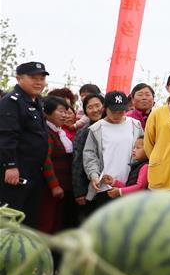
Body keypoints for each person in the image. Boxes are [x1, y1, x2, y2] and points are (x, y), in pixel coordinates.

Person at [0, 62, 50, 226]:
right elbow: (7, 135)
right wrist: (10, 165)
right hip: (16, 173)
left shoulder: (35, 102)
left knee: (27, 221)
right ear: (19, 78)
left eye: (42, 78)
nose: (39, 82)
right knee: (10, 220)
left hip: (33, 173)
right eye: (33, 78)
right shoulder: (12, 101)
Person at [82, 91, 144, 214]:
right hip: (105, 187)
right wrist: (94, 175)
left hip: (129, 185)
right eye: (113, 111)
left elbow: (143, 149)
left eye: (121, 111)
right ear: (105, 108)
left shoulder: (135, 125)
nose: (117, 115)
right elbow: (90, 155)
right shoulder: (97, 128)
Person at [39, 96, 76, 233]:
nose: (65, 115)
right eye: (60, 111)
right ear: (48, 112)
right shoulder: (47, 133)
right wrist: (54, 185)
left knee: (57, 223)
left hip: (63, 187)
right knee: (47, 222)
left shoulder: (59, 132)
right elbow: (46, 160)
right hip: (51, 188)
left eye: (66, 111)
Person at [72, 92, 105, 213]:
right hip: (89, 187)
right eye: (90, 107)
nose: (95, 110)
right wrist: (79, 191)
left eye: (97, 105)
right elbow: (77, 162)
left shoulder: (112, 126)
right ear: (85, 111)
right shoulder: (84, 132)